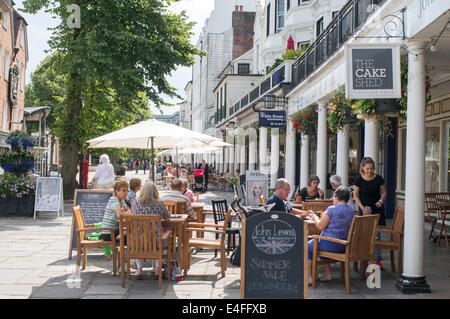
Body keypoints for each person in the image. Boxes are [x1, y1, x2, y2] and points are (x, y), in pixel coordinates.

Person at [306, 186, 355, 284]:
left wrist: (314, 217)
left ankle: (309, 278)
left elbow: (320, 226)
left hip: (331, 244)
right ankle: (327, 274)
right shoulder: (351, 210)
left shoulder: (332, 209)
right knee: (322, 241)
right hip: (345, 244)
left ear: (336, 197)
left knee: (306, 246)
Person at [131, 181, 171, 278]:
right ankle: (158, 268)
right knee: (163, 238)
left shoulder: (136, 203)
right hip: (156, 240)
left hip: (139, 240)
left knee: (137, 242)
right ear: (155, 191)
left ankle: (139, 269)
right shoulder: (159, 203)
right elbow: (167, 217)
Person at [353, 157, 387, 269]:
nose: (370, 171)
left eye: (372, 168)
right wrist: (362, 209)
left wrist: (380, 201)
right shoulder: (359, 180)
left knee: (376, 235)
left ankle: (377, 260)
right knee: (365, 234)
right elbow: (355, 195)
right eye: (367, 168)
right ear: (363, 168)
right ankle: (365, 258)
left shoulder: (379, 179)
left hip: (377, 209)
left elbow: (384, 192)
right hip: (365, 209)